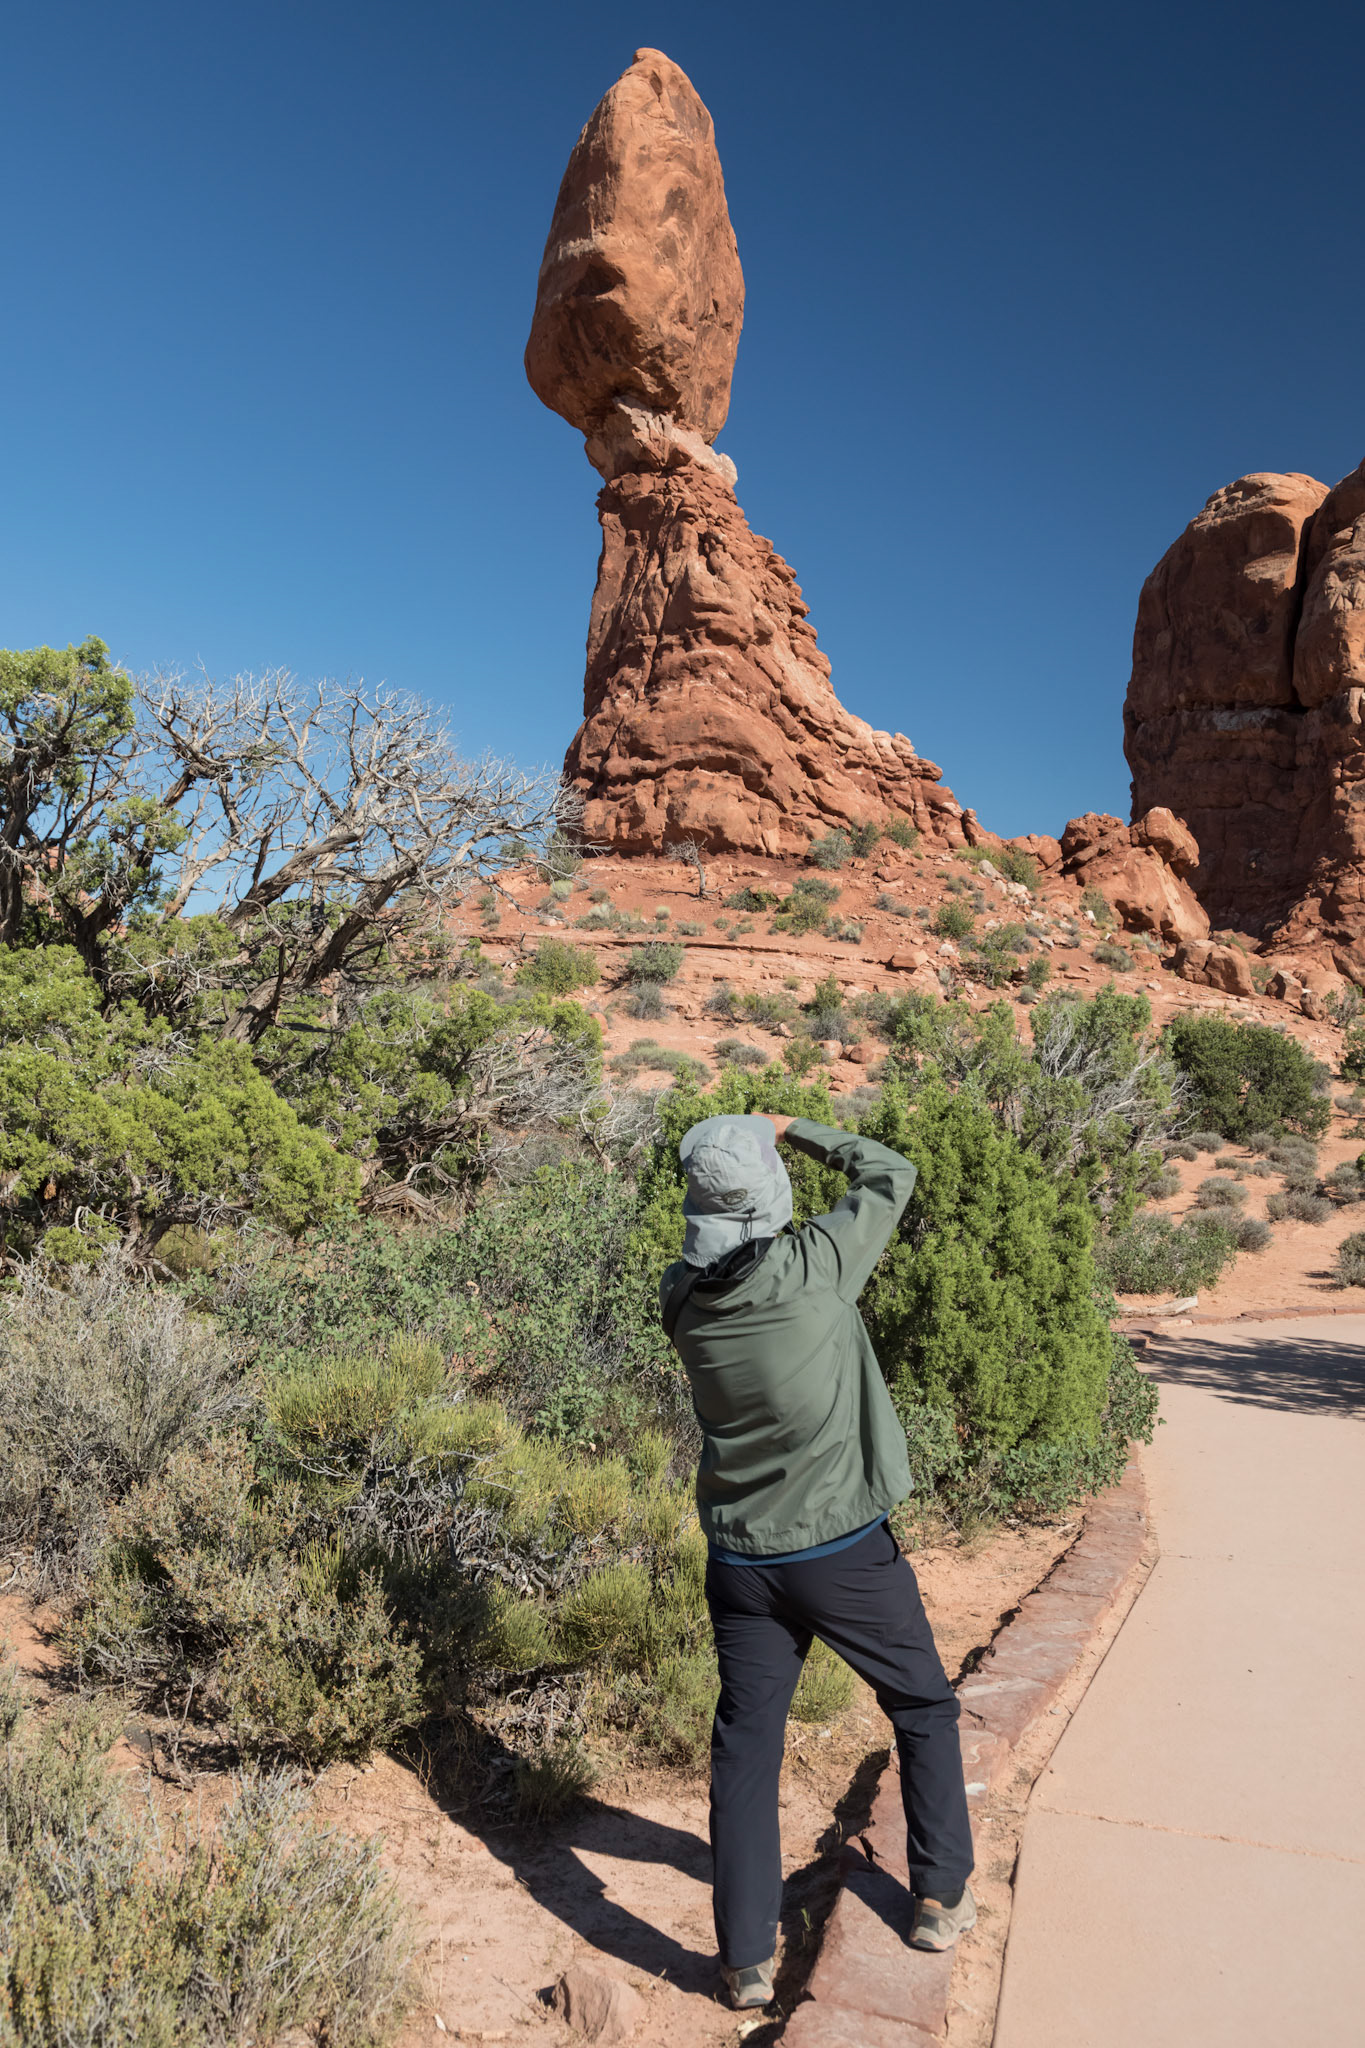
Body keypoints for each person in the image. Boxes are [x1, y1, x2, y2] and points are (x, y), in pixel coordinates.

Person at [659, 1111, 975, 2013]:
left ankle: (745, 1962)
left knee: (746, 1748)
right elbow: (889, 1171)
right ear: (768, 1200)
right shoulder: (817, 1267)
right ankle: (938, 1898)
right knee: (921, 1705)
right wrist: (791, 1126)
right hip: (841, 1553)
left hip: (740, 1560)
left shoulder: (680, 1297)